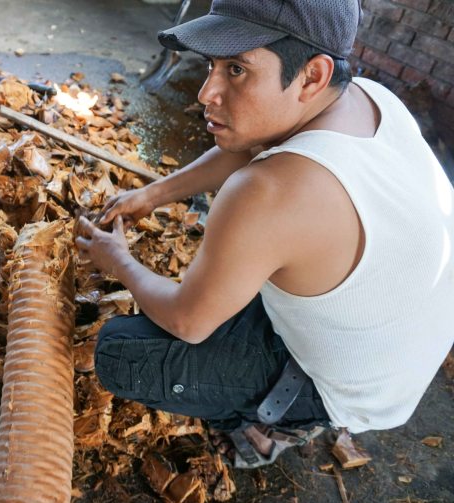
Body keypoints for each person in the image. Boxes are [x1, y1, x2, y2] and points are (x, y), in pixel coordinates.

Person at [75, 0, 454, 468]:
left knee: (120, 353)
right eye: (212, 64)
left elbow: (187, 323)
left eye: (236, 69)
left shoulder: (269, 191)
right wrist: (154, 195)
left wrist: (120, 262)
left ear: (312, 75)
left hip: (348, 387)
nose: (205, 91)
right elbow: (258, 140)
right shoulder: (368, 96)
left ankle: (273, 423)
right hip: (403, 346)